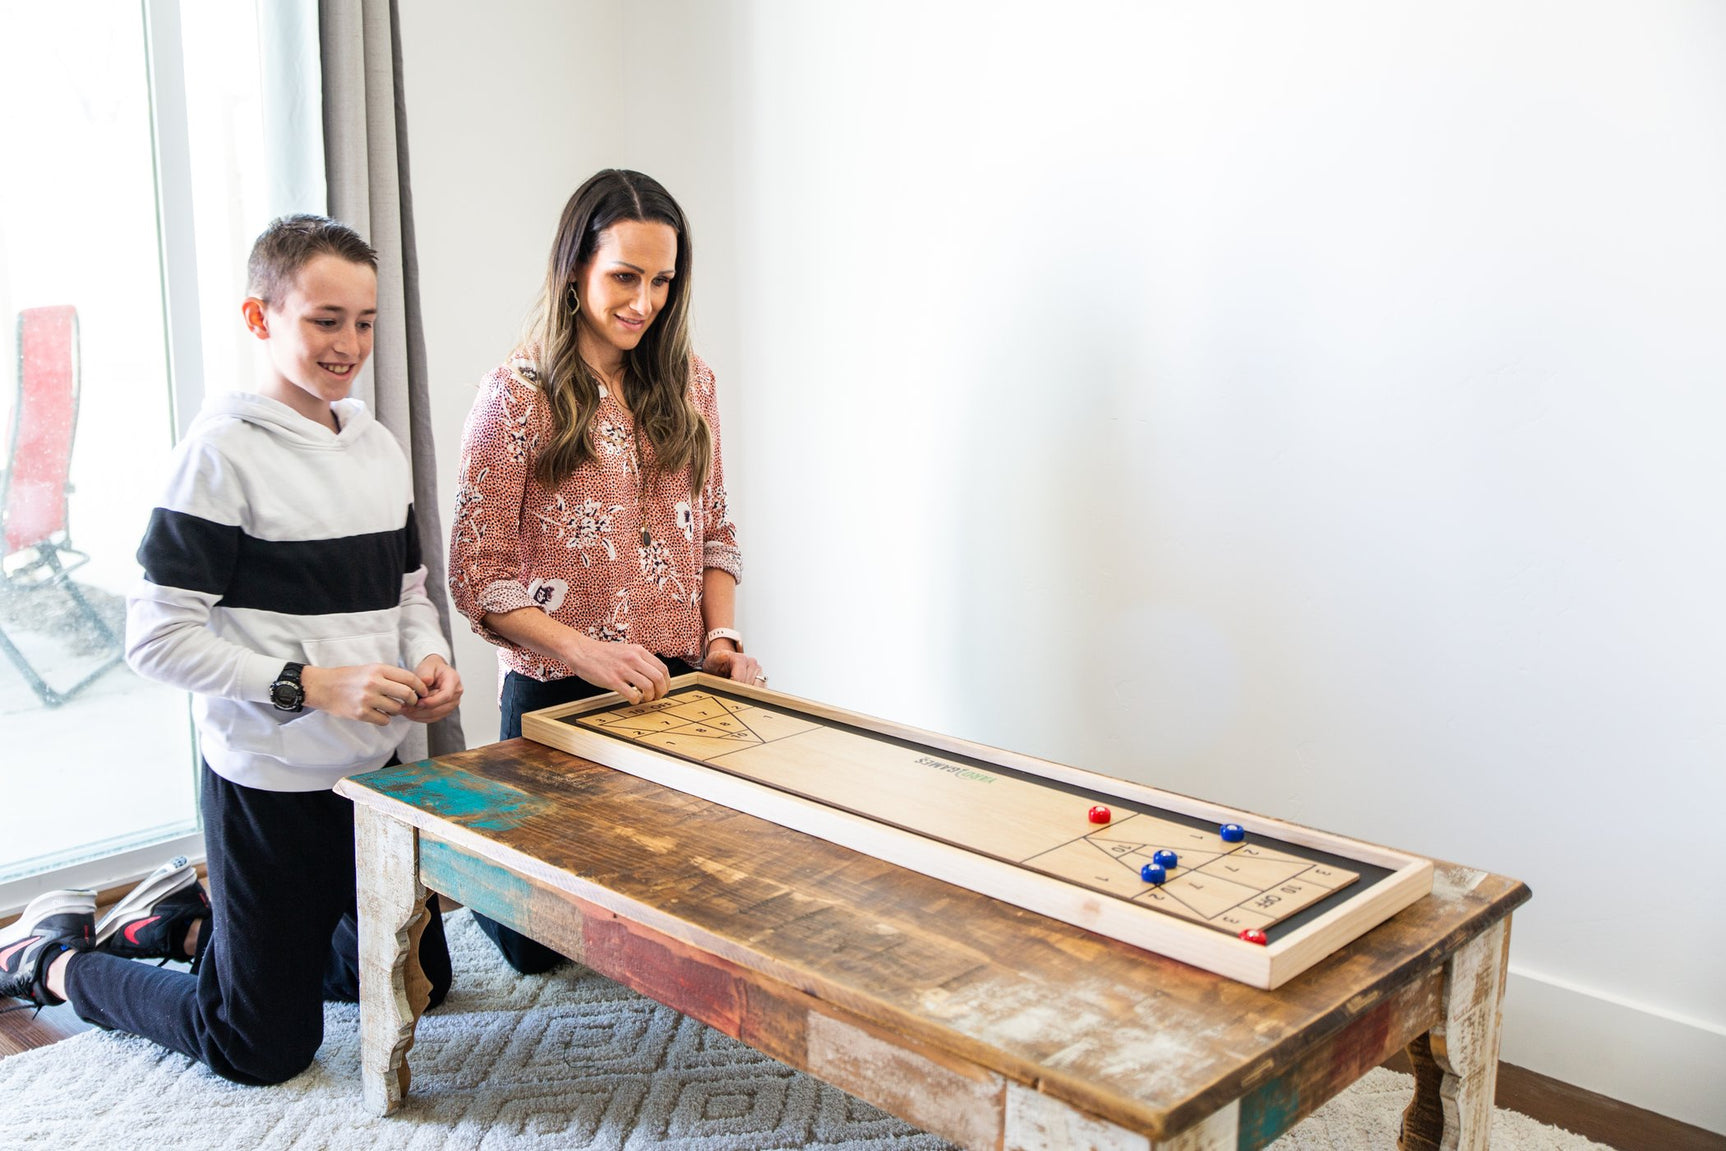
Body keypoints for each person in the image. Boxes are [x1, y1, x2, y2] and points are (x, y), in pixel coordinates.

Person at [0, 215, 462, 1085]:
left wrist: (430, 657)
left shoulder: (377, 445)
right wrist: (309, 683)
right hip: (270, 784)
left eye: (365, 321)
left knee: (421, 985)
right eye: (326, 319)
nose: (350, 343)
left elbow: (408, 594)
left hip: (375, 778)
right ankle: (53, 961)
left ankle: (188, 927)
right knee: (260, 1048)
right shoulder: (217, 456)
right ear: (262, 320)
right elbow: (156, 636)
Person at [449, 169, 762, 973]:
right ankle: (476, 863)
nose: (645, 301)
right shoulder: (514, 398)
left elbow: (716, 531)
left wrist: (722, 638)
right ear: (574, 270)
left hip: (677, 684)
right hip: (558, 692)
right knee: (537, 951)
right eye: (625, 276)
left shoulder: (694, 383)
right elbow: (477, 579)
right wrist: (587, 651)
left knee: (678, 911)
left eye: (662, 280)